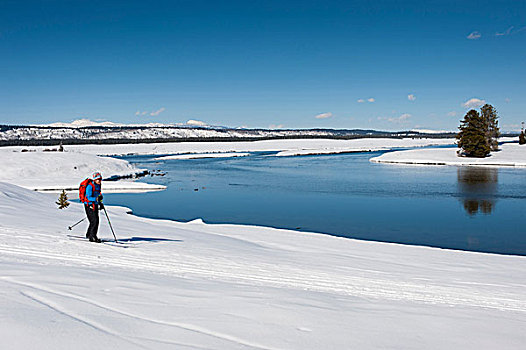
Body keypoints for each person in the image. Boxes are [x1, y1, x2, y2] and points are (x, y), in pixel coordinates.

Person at [83, 172, 104, 243]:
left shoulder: (98, 185)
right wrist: (96, 199)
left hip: (94, 205)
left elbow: (98, 195)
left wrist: (100, 203)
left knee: (94, 221)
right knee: (95, 221)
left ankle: (89, 234)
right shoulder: (90, 186)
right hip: (89, 205)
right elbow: (88, 197)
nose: (100, 181)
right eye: (98, 179)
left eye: (100, 179)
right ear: (95, 179)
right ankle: (92, 237)